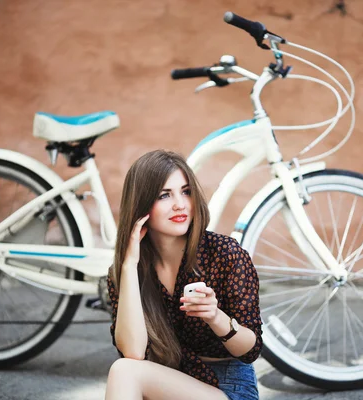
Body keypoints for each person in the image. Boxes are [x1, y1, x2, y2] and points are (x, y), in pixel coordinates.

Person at [105, 150, 262, 400]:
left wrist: (215, 317)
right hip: (167, 386)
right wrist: (128, 266)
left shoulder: (224, 254)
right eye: (164, 195)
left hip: (227, 389)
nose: (180, 204)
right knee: (126, 369)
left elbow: (250, 350)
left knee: (125, 373)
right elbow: (133, 352)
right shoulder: (127, 271)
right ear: (141, 204)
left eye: (186, 191)